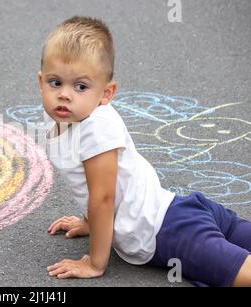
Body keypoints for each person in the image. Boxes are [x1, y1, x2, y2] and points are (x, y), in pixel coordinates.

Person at [38, 16, 251, 286]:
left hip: (169, 231)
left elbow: (103, 197)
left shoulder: (96, 130)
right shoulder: (60, 116)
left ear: (106, 93)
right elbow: (94, 185)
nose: (65, 95)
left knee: (236, 273)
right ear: (41, 81)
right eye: (55, 83)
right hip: (178, 209)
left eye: (80, 86)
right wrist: (90, 224)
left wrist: (94, 263)